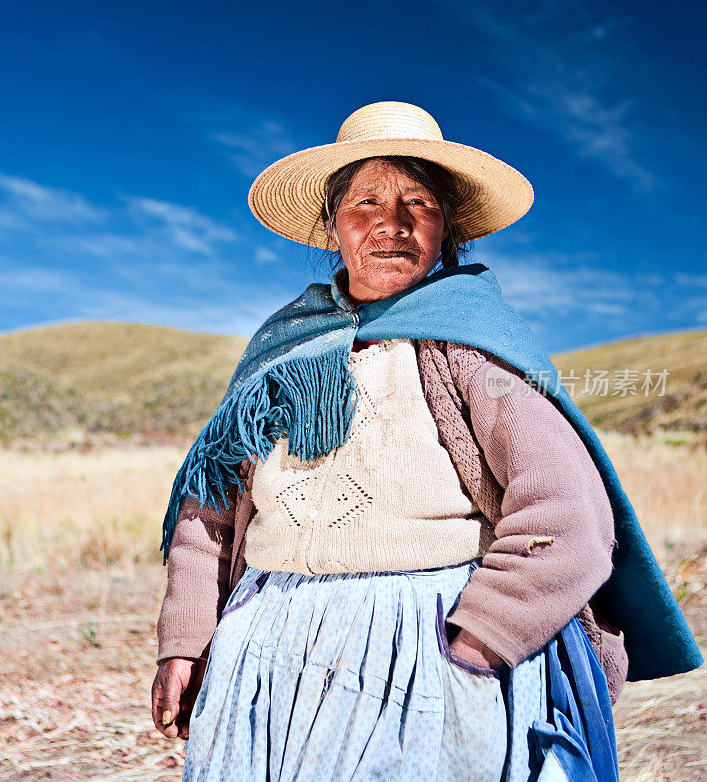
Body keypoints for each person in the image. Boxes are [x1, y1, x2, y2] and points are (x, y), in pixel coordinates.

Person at [151, 102, 702, 781]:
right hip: (268, 652)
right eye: (366, 203)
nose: (394, 223)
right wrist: (186, 640)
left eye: (420, 202)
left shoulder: (471, 348)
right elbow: (207, 509)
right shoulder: (283, 349)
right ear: (333, 227)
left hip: (425, 652)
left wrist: (483, 639)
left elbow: (567, 511)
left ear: (447, 229)